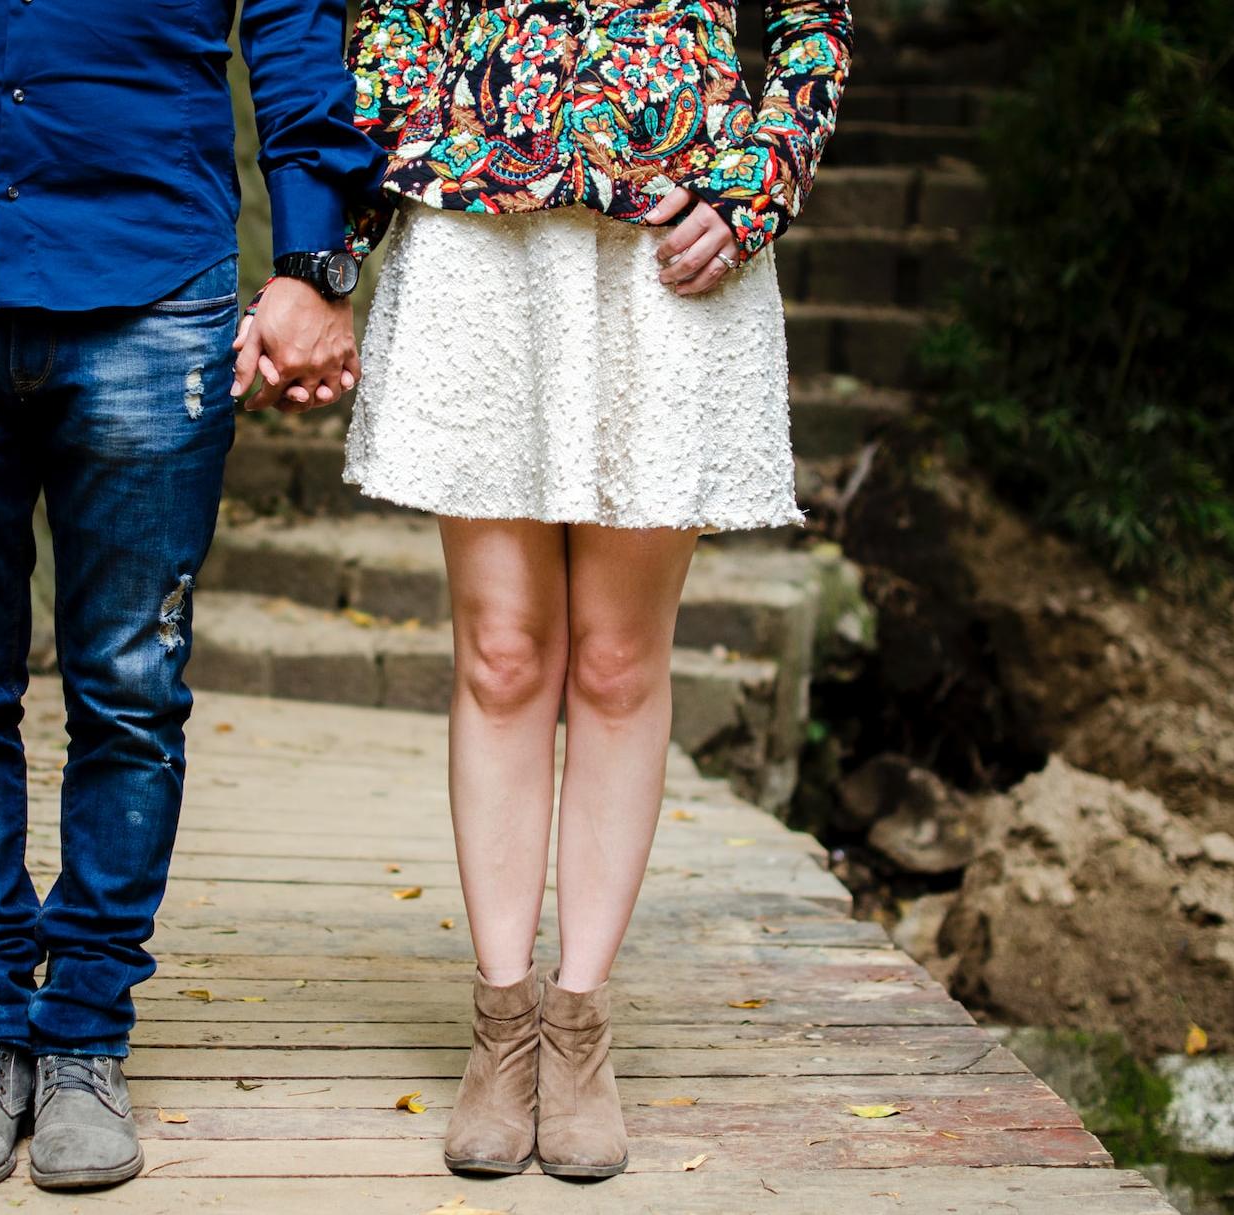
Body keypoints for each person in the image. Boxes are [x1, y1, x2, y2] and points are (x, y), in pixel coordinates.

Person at [0, 0, 382, 1192]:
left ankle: (86, 1032)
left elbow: (298, 35)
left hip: (151, 293)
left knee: (133, 690)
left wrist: (312, 260)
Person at [342, 0, 853, 1179]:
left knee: (620, 664)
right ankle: (501, 1025)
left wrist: (754, 183)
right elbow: (385, 15)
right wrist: (402, 162)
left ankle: (579, 1031)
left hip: (671, 239)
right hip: (480, 225)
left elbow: (816, 25)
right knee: (504, 652)